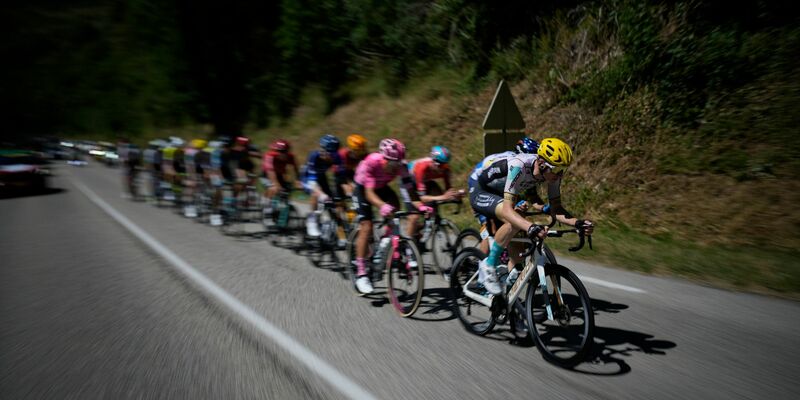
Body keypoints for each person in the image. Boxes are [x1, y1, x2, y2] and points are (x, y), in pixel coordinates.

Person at [468, 137, 594, 295]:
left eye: (563, 169)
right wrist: (531, 227)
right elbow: (507, 210)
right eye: (556, 169)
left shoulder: (551, 174)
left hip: (502, 192)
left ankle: (510, 280)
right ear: (541, 163)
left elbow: (556, 209)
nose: (559, 174)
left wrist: (578, 223)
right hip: (482, 190)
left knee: (519, 227)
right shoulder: (518, 166)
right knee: (514, 219)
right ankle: (488, 265)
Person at [352, 138, 432, 294]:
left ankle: (386, 241)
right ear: (384, 159)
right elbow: (369, 193)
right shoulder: (372, 162)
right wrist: (382, 205)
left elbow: (411, 193)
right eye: (393, 164)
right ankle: (361, 273)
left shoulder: (401, 166)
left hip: (382, 187)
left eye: (398, 164)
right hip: (363, 189)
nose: (396, 168)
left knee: (396, 209)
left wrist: (421, 206)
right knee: (366, 226)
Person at [405, 145, 464, 246]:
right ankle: (406, 247)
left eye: (445, 165)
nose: (443, 168)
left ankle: (427, 226)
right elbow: (421, 197)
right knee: (414, 217)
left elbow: (448, 190)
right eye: (440, 165)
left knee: (433, 209)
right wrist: (442, 197)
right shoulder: (422, 167)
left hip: (426, 181)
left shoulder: (445, 169)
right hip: (409, 183)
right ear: (433, 162)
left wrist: (455, 195)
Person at [303, 134, 348, 238]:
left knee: (332, 205)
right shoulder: (313, 156)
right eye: (329, 154)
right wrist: (322, 195)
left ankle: (341, 235)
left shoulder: (337, 157)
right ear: (322, 150)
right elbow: (312, 182)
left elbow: (341, 178)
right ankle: (312, 220)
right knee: (316, 194)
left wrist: (348, 192)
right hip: (308, 177)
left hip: (321, 177)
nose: (331, 157)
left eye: (333, 154)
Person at [262, 139, 301, 218]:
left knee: (286, 190)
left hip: (279, 174)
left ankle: (282, 208)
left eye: (283, 152)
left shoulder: (290, 157)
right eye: (278, 151)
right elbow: (270, 172)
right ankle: (267, 207)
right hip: (267, 174)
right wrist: (276, 184)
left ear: (287, 151)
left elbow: (296, 169)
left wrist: (298, 181)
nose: (280, 154)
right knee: (273, 188)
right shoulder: (270, 155)